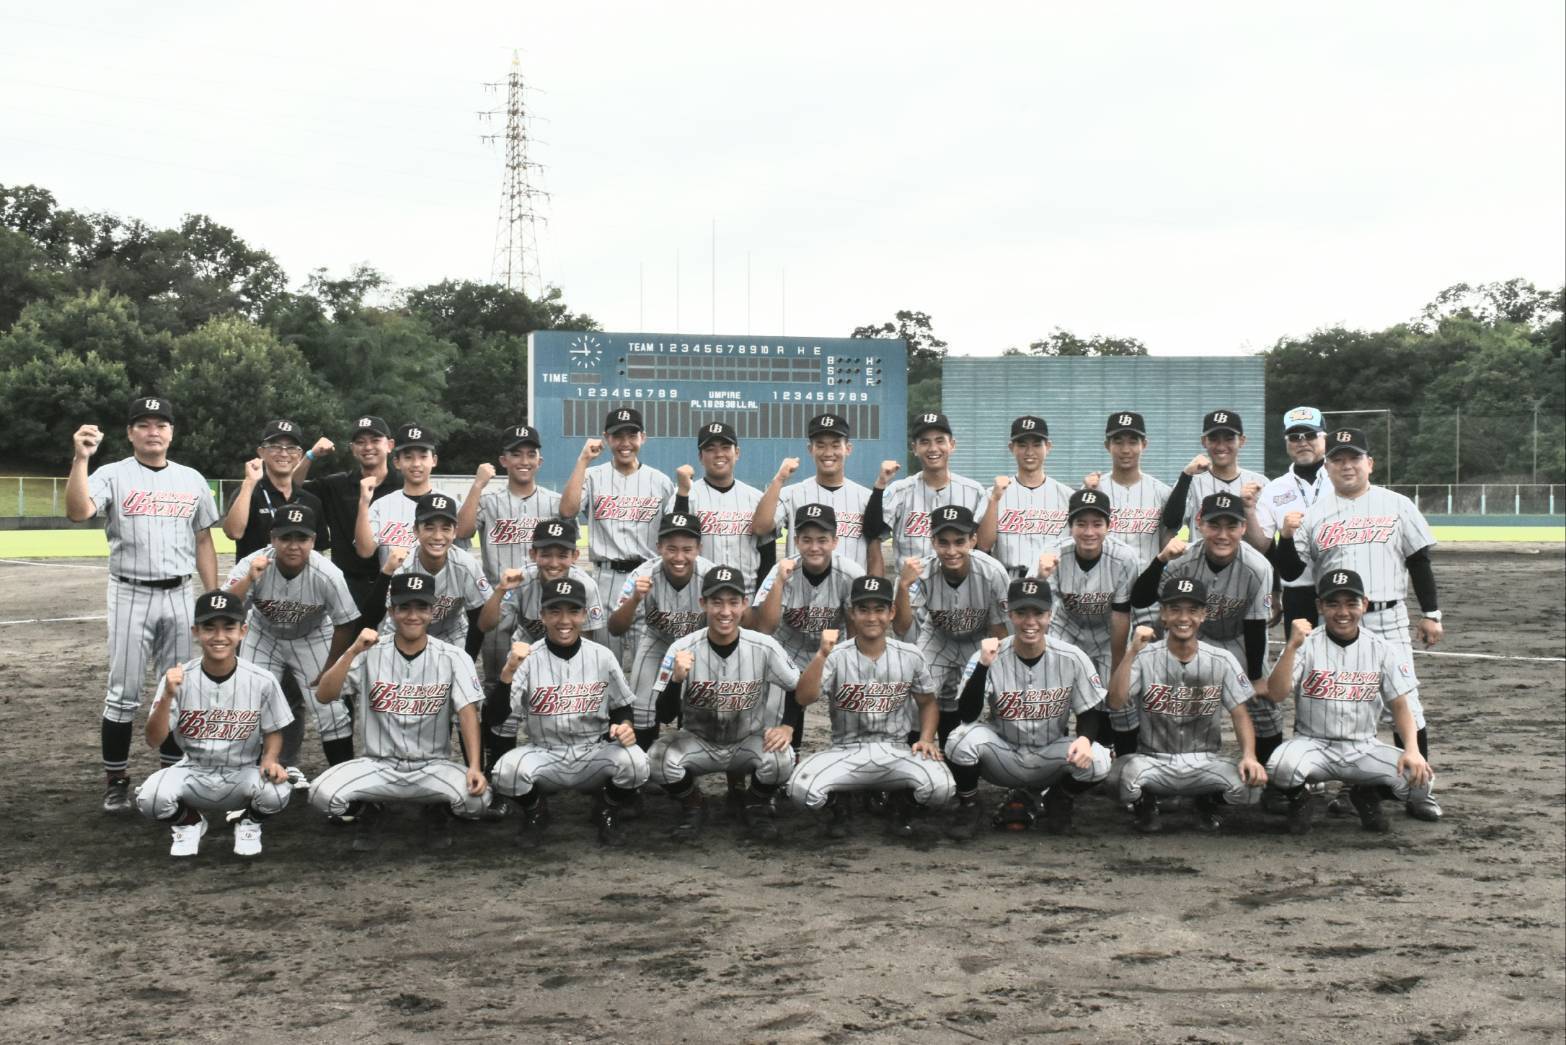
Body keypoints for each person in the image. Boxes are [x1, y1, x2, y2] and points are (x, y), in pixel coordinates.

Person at [1274, 427, 1444, 822]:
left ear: (1370, 463)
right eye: (1337, 459)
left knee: (1407, 704)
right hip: (1335, 619)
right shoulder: (1315, 514)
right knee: (1337, 697)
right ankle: (1340, 781)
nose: (1346, 465)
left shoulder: (1397, 505)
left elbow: (1419, 561)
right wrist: (1284, 536)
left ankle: (1418, 791)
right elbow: (1292, 571)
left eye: (1354, 458)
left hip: (1388, 616)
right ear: (1327, 467)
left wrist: (1431, 613)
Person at [66, 395, 220, 812]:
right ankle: (116, 781)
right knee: (124, 693)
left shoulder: (191, 479)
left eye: (161, 424)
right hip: (130, 593)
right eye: (144, 424)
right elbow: (78, 512)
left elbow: (203, 539)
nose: (153, 431)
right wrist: (81, 459)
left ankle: (173, 776)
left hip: (180, 593)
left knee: (178, 687)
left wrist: (212, 595)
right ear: (130, 433)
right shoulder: (112, 474)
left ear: (172, 432)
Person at [310, 573, 489, 851]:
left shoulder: (454, 657)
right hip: (377, 766)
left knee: (477, 801)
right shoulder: (368, 652)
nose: (412, 615)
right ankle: (372, 807)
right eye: (404, 607)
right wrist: (352, 651)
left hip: (432, 766)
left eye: (421, 607)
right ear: (392, 611)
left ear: (432, 612)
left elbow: (467, 714)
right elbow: (324, 695)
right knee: (320, 795)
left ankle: (435, 807)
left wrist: (475, 767)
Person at [1260, 569, 1436, 834]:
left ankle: (1365, 795)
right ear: (1320, 606)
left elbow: (1401, 706)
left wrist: (1412, 748)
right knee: (1279, 767)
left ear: (1364, 604)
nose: (1342, 612)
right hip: (1313, 745)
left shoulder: (1382, 649)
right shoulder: (1305, 644)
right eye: (1333, 604)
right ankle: (1301, 800)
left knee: (1420, 781)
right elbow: (1275, 694)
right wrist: (1292, 647)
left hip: (1363, 747)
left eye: (1351, 603)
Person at [943, 577, 1112, 839]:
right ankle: (970, 804)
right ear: (1010, 614)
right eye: (1021, 613)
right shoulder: (989, 655)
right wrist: (983, 666)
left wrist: (1084, 739)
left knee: (1099, 758)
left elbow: (1089, 710)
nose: (1030, 621)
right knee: (958, 740)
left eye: (1038, 613)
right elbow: (967, 714)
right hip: (1002, 754)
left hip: (1051, 755)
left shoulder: (1072, 657)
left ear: (1050, 615)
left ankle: (1059, 798)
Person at [788, 576, 952, 839]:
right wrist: (821, 655)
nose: (872, 617)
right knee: (800, 790)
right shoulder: (836, 655)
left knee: (942, 787)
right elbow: (803, 698)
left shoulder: (910, 655)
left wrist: (926, 738)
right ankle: (840, 804)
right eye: (863, 609)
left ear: (891, 612)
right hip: (846, 751)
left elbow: (928, 702)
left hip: (896, 752)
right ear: (852, 613)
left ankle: (901, 803)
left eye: (879, 609)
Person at [647, 566, 802, 841]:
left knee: (783, 758)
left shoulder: (764, 646)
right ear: (703, 603)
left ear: (744, 604)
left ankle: (755, 803)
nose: (725, 611)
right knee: (657, 759)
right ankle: (694, 803)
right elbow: (664, 715)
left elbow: (796, 687)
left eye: (733, 602)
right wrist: (676, 680)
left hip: (748, 740)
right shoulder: (681, 649)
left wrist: (788, 726)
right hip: (698, 741)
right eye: (717, 602)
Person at [490, 578, 648, 848]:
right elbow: (496, 717)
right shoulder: (527, 658)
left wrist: (625, 725)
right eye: (555, 611)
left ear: (584, 615)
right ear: (542, 615)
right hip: (544, 753)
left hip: (593, 752)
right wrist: (508, 672)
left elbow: (622, 706)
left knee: (637, 763)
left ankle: (606, 808)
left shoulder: (602, 656)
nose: (564, 620)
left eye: (573, 611)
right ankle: (536, 811)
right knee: (505, 772)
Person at [1130, 492, 1284, 767]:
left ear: (1243, 528)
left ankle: (1267, 770)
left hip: (1240, 636)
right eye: (1214, 525)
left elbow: (1255, 623)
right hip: (1193, 635)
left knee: (1262, 704)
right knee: (1171, 695)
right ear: (1200, 524)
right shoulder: (1182, 560)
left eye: (1231, 526)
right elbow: (1140, 599)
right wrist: (1161, 559)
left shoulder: (1258, 566)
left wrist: (1256, 677)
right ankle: (1160, 759)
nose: (1223, 534)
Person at [135, 590, 292, 857]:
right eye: (209, 628)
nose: (219, 636)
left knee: (278, 792)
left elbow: (273, 730)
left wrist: (270, 759)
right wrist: (168, 695)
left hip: (243, 772)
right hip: (193, 771)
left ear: (242, 631)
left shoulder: (262, 680)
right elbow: (153, 739)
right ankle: (189, 822)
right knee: (149, 798)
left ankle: (249, 822)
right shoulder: (177, 678)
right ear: (195, 632)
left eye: (228, 627)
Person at [1107, 577, 1267, 833]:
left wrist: (1249, 756)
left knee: (1252, 788)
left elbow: (1240, 714)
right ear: (1163, 614)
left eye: (1192, 610)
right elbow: (1115, 702)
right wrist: (1131, 652)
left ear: (1203, 615)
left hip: (1204, 761)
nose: (1184, 618)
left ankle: (1206, 800)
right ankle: (1146, 803)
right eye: (1175, 609)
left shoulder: (1222, 659)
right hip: (1154, 761)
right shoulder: (1144, 656)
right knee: (1118, 779)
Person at [223, 505, 359, 790]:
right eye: (286, 537)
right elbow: (225, 609)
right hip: (264, 635)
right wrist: (249, 579)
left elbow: (345, 623)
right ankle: (249, 781)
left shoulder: (327, 574)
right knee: (250, 705)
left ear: (313, 540)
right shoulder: (253, 563)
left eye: (302, 538)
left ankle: (345, 785)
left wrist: (329, 668)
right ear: (273, 538)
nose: (293, 545)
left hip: (313, 636)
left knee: (331, 710)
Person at [559, 407, 675, 670]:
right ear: (606, 438)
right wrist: (583, 460)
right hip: (605, 577)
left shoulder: (660, 482)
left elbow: (673, 533)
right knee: (604, 663)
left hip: (648, 577)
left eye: (631, 435)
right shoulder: (592, 476)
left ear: (643, 437)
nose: (625, 443)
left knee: (648, 664)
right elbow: (567, 510)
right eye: (618, 436)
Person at [893, 504, 1011, 745]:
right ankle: (913, 751)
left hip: (980, 638)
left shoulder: (993, 572)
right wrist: (903, 587)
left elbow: (1000, 629)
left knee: (994, 696)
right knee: (916, 696)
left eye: (959, 542)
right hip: (939, 636)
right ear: (933, 541)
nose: (951, 550)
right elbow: (901, 628)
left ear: (973, 540)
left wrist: (999, 670)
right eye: (943, 542)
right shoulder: (920, 572)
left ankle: (982, 747)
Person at [750, 504, 865, 753]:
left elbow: (857, 628)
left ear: (835, 541)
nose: (814, 547)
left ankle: (849, 754)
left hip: (833, 651)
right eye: (806, 540)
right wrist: (779, 582)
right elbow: (765, 627)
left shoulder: (851, 573)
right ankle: (789, 756)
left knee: (852, 699)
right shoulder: (781, 570)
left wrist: (852, 668)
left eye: (822, 540)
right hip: (787, 650)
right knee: (778, 718)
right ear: (796, 541)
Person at [1033, 489, 1140, 755]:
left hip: (1107, 631)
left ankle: (1120, 757)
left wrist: (1117, 667)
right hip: (1067, 627)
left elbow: (1120, 614)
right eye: (1081, 524)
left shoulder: (1124, 557)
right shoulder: (1054, 553)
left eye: (1097, 524)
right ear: (1070, 526)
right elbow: (1038, 608)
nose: (1089, 531)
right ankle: (1052, 752)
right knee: (1053, 689)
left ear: (1108, 526)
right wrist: (1041, 576)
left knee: (1118, 697)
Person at [455, 423, 564, 684]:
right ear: (503, 460)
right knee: (497, 677)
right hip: (499, 599)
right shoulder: (488, 501)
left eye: (530, 454)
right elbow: (462, 531)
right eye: (516, 454)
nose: (524, 461)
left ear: (539, 461)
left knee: (548, 675)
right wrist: (478, 485)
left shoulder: (554, 502)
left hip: (542, 597)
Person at [607, 512, 718, 751]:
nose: (679, 556)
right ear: (659, 547)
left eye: (687, 549)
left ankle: (690, 761)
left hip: (699, 644)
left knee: (700, 708)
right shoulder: (642, 575)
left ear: (699, 548)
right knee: (642, 707)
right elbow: (615, 628)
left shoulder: (712, 576)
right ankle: (643, 763)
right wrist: (634, 599)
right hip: (658, 640)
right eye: (671, 549)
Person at [291, 414, 404, 631]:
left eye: (375, 440)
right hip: (347, 585)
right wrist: (310, 455)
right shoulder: (337, 485)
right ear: (352, 449)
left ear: (390, 445)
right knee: (344, 646)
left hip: (393, 582)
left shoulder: (403, 486)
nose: (367, 447)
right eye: (360, 442)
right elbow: (292, 489)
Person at [752, 412, 876, 572]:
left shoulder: (866, 498)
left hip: (852, 586)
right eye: (820, 445)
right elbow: (760, 528)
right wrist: (779, 479)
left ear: (848, 449)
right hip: (801, 586)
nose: (828, 453)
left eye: (835, 445)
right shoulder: (791, 495)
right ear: (810, 449)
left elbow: (874, 556)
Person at [379, 493, 494, 651]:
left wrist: (468, 660)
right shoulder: (401, 565)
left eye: (445, 528)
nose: (438, 536)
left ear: (454, 532)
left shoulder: (466, 565)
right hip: (403, 632)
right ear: (416, 530)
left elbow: (477, 618)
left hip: (451, 635)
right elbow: (379, 613)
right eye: (429, 528)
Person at [876, 412, 991, 569]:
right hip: (910, 582)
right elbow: (873, 534)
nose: (933, 448)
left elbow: (983, 546)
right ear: (914, 448)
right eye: (925, 442)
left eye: (939, 441)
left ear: (952, 445)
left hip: (960, 581)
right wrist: (880, 484)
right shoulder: (899, 491)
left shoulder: (974, 492)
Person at [1251, 406, 1328, 631]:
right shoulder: (1274, 489)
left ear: (1325, 437)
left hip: (1340, 589)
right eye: (1294, 437)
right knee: (1299, 651)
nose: (1302, 442)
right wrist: (1274, 593)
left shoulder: (1341, 478)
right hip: (1297, 591)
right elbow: (1264, 546)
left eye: (1310, 435)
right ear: (1286, 442)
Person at [672, 421, 771, 594]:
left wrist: (760, 599)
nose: (719, 454)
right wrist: (682, 495)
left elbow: (768, 554)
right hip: (698, 595)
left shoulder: (756, 498)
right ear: (700, 457)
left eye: (725, 447)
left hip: (745, 596)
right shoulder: (684, 495)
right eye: (710, 449)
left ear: (737, 453)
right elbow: (673, 542)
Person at [975, 415, 1074, 576]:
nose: (1029, 452)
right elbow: (983, 545)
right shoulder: (994, 494)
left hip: (1054, 578)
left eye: (1037, 445)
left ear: (1048, 447)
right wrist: (994, 500)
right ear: (1011, 447)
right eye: (1022, 445)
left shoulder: (1067, 496)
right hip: (1009, 578)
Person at [222, 418, 328, 560]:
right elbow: (233, 533)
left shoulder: (310, 501)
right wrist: (249, 483)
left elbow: (319, 550)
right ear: (261, 452)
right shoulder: (249, 493)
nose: (284, 454)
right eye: (275, 447)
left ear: (299, 455)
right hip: (255, 573)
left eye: (291, 448)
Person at [1163, 410, 1270, 536]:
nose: (1221, 446)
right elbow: (1171, 523)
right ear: (1204, 441)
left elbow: (1267, 540)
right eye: (1214, 439)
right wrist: (1186, 475)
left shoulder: (1261, 483)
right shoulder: (1190, 482)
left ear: (1242, 440)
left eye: (1229, 439)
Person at [354, 422, 440, 573]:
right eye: (408, 457)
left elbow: (464, 539)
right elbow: (365, 551)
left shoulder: (450, 502)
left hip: (439, 586)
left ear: (433, 460)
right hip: (393, 586)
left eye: (423, 456)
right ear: (397, 462)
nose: (416, 464)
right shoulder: (381, 505)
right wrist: (363, 503)